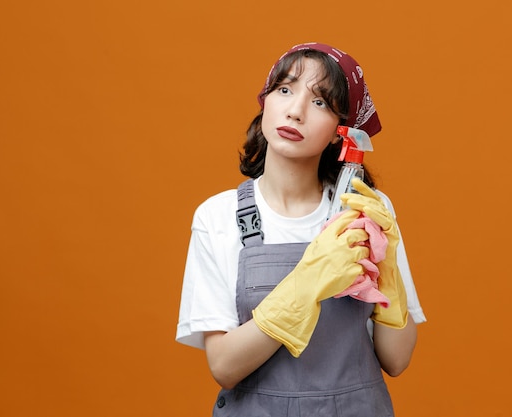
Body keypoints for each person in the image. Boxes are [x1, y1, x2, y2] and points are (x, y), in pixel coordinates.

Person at [176, 42, 426, 416]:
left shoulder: (364, 210)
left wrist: (385, 268)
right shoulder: (218, 216)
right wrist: (307, 282)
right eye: (285, 89)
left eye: (321, 102)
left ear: (341, 133)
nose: (295, 111)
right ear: (266, 100)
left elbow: (397, 359)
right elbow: (224, 367)